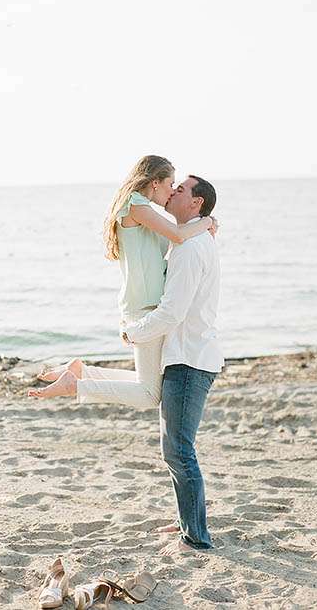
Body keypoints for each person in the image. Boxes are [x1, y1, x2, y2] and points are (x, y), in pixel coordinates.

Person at [29, 155, 216, 408]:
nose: (172, 192)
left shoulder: (143, 208)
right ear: (154, 183)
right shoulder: (136, 205)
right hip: (144, 304)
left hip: (145, 302)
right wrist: (207, 221)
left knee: (148, 385)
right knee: (150, 394)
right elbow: (179, 235)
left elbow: (172, 244)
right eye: (171, 184)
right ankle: (75, 384)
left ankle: (80, 372)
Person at [121, 175, 223, 555]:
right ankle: (187, 522)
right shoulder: (190, 240)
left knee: (178, 450)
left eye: (181, 189)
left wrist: (134, 334)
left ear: (196, 204)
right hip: (188, 356)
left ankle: (196, 537)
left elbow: (171, 312)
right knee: (177, 448)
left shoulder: (190, 248)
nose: (174, 191)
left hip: (190, 359)